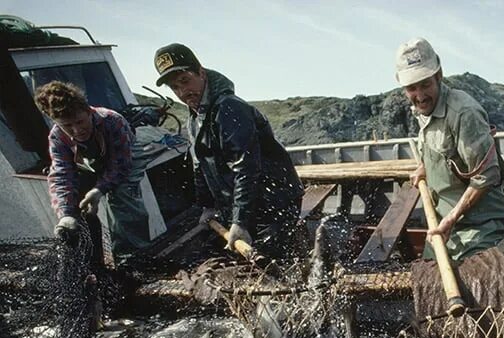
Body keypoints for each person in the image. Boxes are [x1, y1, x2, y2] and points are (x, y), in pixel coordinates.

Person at [153, 43, 304, 259]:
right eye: (174, 87)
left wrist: (240, 222)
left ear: (201, 73)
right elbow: (200, 165)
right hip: (245, 203)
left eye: (185, 81)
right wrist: (207, 206)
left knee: (271, 262)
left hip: (274, 202)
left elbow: (246, 167)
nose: (182, 92)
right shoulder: (195, 119)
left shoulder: (229, 107)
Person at [396, 37, 504, 261]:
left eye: (425, 84)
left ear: (439, 76)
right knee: (429, 271)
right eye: (411, 87)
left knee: (474, 282)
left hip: (480, 224)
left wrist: (451, 218)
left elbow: (486, 176)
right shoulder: (423, 109)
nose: (419, 95)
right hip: (444, 219)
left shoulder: (464, 113)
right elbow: (440, 149)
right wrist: (425, 167)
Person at [35, 81, 150, 264]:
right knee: (77, 207)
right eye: (67, 125)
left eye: (80, 121)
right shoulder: (57, 136)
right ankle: (92, 264)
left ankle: (133, 258)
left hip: (125, 157)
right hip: (91, 162)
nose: (76, 130)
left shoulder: (113, 121)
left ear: (88, 111)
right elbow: (62, 175)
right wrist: (66, 214)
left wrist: (99, 189)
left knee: (123, 196)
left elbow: (120, 165)